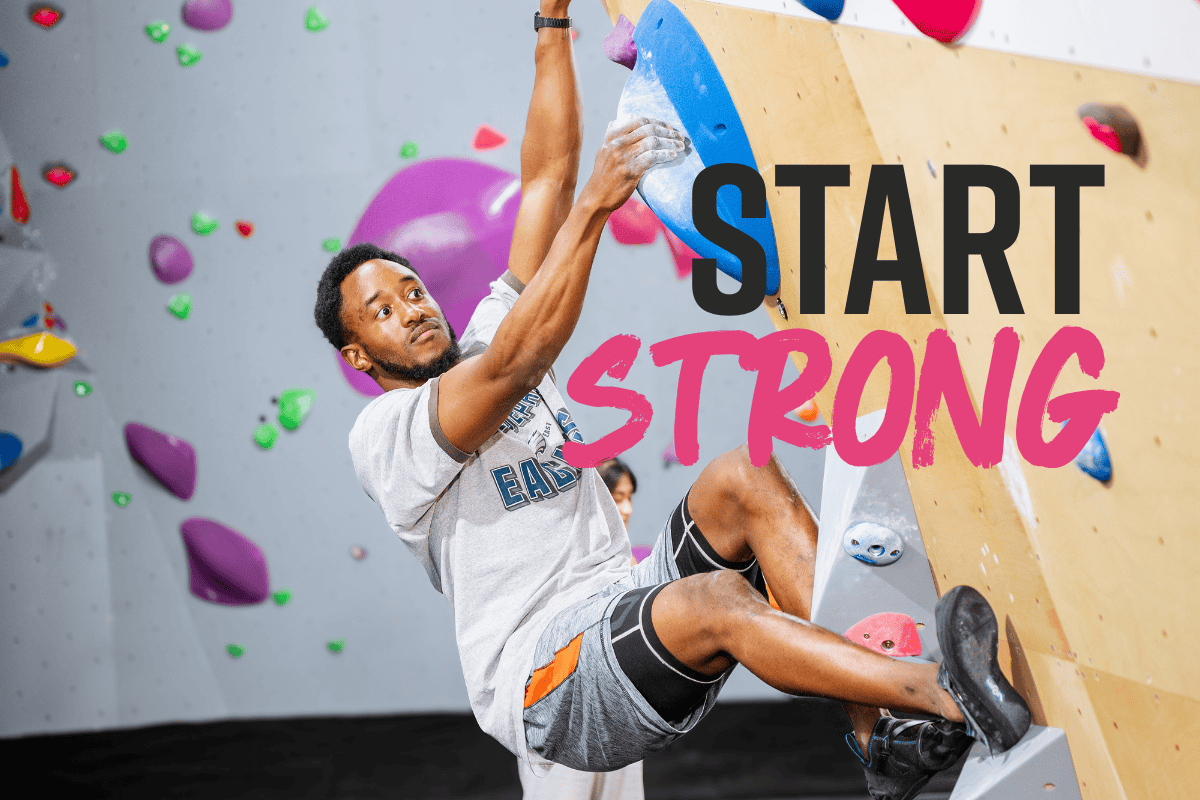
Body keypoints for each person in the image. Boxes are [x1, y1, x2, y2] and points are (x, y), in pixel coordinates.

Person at [314, 4, 1031, 799]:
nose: (411, 308)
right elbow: (519, 362)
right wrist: (596, 208)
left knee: (742, 475)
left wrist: (552, 20)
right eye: (382, 310)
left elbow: (545, 177)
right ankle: (935, 694)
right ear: (357, 355)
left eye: (411, 289)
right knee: (716, 599)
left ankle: (876, 741)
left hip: (623, 604)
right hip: (549, 680)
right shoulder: (387, 434)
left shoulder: (482, 333)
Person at [517, 457, 644, 800]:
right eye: (617, 497)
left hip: (619, 711)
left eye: (629, 496)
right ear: (594, 497)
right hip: (564, 711)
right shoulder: (556, 561)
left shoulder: (627, 562)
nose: (628, 508)